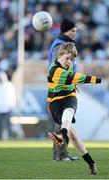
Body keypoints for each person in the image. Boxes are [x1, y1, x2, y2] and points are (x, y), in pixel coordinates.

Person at [47, 43, 101, 175]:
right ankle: (91, 163)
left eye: (71, 59)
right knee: (74, 137)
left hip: (69, 97)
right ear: (59, 55)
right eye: (67, 58)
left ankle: (61, 134)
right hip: (55, 103)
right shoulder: (55, 71)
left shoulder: (68, 64)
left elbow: (73, 79)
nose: (69, 62)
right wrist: (98, 80)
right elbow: (77, 78)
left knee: (69, 112)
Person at [48, 18, 78, 161]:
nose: (75, 34)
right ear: (66, 31)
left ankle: (60, 154)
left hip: (65, 88)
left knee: (63, 121)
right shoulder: (60, 46)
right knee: (62, 121)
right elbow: (56, 68)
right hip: (60, 89)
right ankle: (61, 155)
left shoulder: (63, 44)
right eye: (73, 31)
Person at [0, 71, 16, 140]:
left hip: (7, 108)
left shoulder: (9, 85)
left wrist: (12, 105)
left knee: (8, 124)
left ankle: (9, 136)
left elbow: (13, 96)